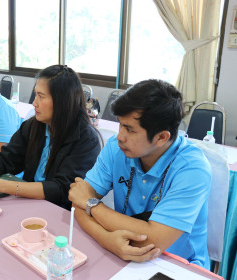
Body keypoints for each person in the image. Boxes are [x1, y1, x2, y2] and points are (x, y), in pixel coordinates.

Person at [69, 79, 211, 268]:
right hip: (121, 252)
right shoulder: (116, 147)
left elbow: (153, 240)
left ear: (161, 137)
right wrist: (106, 239)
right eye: (120, 125)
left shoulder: (193, 169)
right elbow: (77, 201)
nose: (120, 136)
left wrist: (92, 205)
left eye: (129, 129)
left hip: (177, 264)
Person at [0, 65, 101, 210]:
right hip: (29, 202)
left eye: (41, 96)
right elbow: (7, 157)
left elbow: (61, 189)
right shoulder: (34, 125)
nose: (34, 102)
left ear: (62, 101)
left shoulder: (86, 140)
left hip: (59, 211)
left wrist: (1, 185)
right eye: (35, 94)